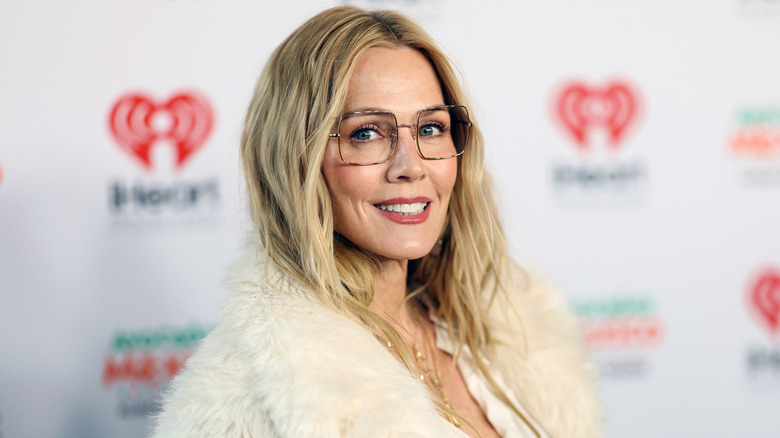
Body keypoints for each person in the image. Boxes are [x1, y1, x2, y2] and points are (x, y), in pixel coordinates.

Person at [152, 6, 602, 438]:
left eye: (430, 128)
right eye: (366, 133)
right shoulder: (246, 392)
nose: (412, 165)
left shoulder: (514, 329)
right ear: (296, 158)